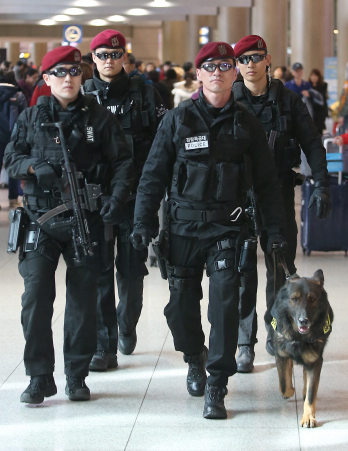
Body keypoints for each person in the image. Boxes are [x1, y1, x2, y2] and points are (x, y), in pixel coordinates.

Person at [130, 41, 287, 419]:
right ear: (197, 75)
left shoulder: (246, 122)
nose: (217, 72)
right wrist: (142, 221)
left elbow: (266, 182)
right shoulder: (177, 120)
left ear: (234, 73)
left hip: (226, 230)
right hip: (183, 229)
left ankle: (217, 383)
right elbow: (153, 175)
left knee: (225, 304)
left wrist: (275, 231)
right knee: (180, 310)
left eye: (224, 66)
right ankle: (193, 357)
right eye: (209, 66)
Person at [4, 46, 134, 404]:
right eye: (59, 73)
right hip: (40, 222)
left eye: (74, 72)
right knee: (35, 299)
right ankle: (39, 377)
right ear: (46, 79)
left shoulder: (99, 118)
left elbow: (123, 162)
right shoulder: (31, 118)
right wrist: (33, 167)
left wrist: (115, 200)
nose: (68, 79)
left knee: (82, 301)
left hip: (86, 222)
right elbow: (11, 158)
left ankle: (76, 375)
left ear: (82, 76)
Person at [233, 35, 331, 373]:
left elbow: (313, 144)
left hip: (277, 193)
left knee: (280, 272)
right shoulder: (228, 99)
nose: (250, 64)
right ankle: (245, 343)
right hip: (239, 199)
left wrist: (322, 185)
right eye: (243, 59)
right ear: (236, 65)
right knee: (244, 271)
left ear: (267, 60)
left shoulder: (288, 101)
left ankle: (277, 336)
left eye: (255, 57)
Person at [83, 30, 167, 370]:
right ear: (93, 58)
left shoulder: (147, 94)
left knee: (132, 271)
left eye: (114, 54)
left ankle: (126, 322)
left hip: (136, 198)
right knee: (100, 271)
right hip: (97, 200)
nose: (108, 61)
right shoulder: (82, 94)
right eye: (102, 54)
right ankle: (105, 344)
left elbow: (164, 144)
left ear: (124, 58)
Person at [0, 71, 27, 209]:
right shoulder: (18, 95)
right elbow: (24, 117)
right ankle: (13, 199)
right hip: (13, 137)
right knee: (13, 167)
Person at [309, 68, 329, 134]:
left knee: (319, 131)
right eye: (312, 75)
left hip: (320, 112)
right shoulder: (307, 86)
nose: (313, 77)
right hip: (311, 112)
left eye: (315, 75)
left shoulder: (323, 86)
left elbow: (323, 100)